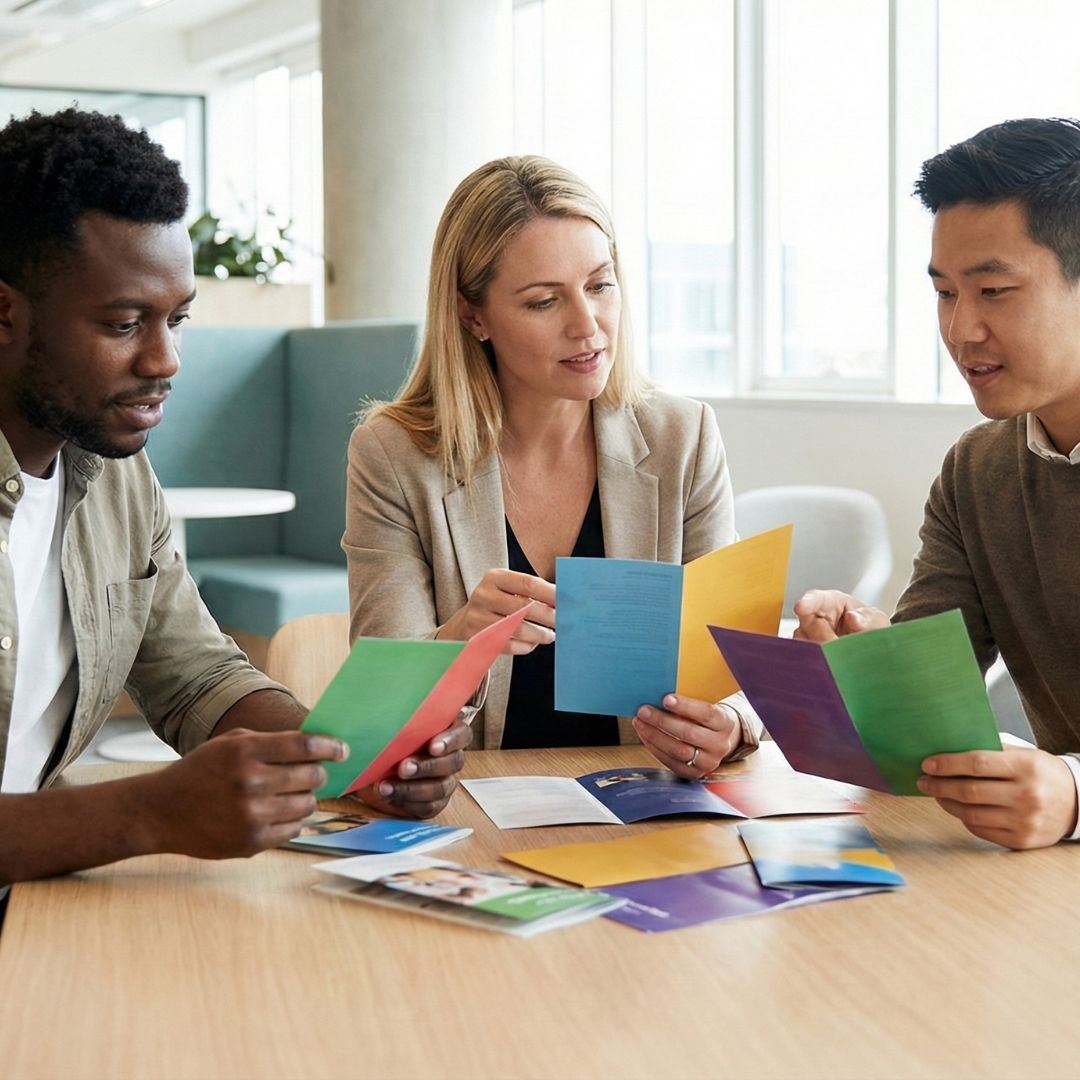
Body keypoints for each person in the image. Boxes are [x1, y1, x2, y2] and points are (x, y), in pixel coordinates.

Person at [0, 108, 468, 905]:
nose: (166, 360)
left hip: (40, 907)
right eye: (125, 324)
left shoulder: (116, 479)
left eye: (178, 319)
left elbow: (197, 677)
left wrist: (345, 757)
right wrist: (148, 811)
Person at [345, 155, 761, 780]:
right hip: (474, 800)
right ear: (473, 316)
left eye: (600, 285)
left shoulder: (683, 436)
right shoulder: (395, 455)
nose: (588, 326)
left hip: (647, 801)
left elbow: (735, 668)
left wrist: (728, 722)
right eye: (544, 301)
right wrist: (461, 640)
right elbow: (379, 706)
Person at [794, 117, 1080, 850]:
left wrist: (1076, 797)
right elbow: (930, 692)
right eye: (947, 293)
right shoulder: (978, 470)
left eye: (994, 290)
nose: (961, 330)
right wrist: (865, 658)